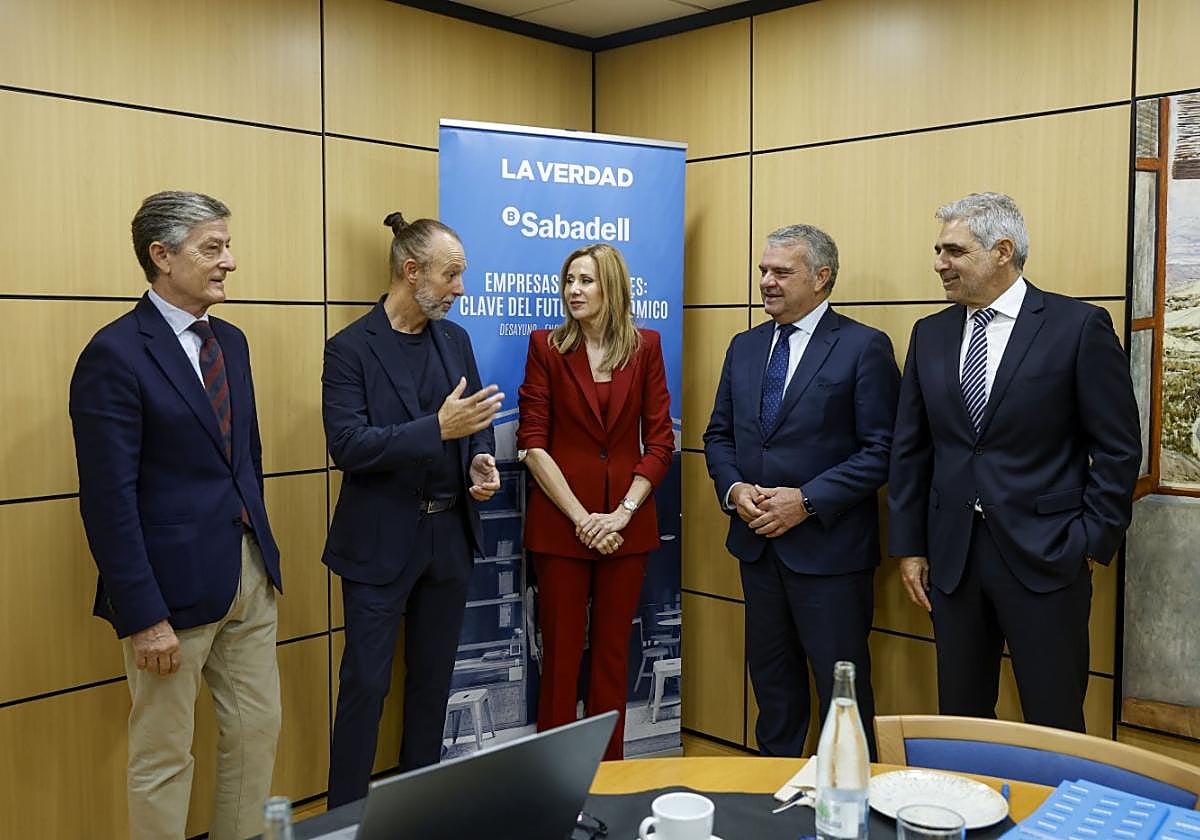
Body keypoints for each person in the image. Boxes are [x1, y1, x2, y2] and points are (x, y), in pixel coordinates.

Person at [69, 191, 282, 840]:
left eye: (227, 246)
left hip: (247, 578)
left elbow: (244, 460)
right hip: (167, 599)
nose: (230, 262)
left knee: (256, 735)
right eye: (212, 249)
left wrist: (263, 562)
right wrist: (144, 616)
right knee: (163, 756)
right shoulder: (115, 354)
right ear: (161, 257)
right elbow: (108, 499)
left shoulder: (234, 344)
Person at [888, 192, 1140, 732]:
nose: (939, 263)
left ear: (1002, 251)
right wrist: (909, 546)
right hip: (952, 559)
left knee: (1052, 716)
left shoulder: (1077, 327)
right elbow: (910, 450)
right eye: (938, 250)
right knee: (961, 715)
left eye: (953, 250)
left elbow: (1118, 448)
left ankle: (1053, 816)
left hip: (1047, 554)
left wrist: (1092, 541)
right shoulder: (928, 334)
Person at [323, 213, 502, 806]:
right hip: (379, 543)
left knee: (432, 686)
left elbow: (473, 426)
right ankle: (345, 818)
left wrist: (480, 460)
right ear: (410, 270)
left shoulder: (456, 340)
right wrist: (436, 429)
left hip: (449, 535)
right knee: (365, 686)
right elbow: (347, 446)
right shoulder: (349, 348)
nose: (459, 288)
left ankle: (418, 812)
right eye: (451, 275)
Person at [703, 224, 899, 758]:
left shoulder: (863, 347)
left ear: (821, 277)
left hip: (831, 556)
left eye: (780, 271)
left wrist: (806, 501)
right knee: (773, 688)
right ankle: (773, 802)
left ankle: (850, 806)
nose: (765, 280)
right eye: (763, 269)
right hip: (757, 548)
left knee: (842, 698)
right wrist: (734, 487)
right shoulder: (744, 347)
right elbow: (718, 435)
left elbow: (882, 450)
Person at [517, 243, 674, 761]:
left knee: (611, 657)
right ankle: (551, 779)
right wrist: (584, 518)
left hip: (626, 527)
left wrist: (622, 513)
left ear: (612, 288)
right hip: (563, 526)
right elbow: (532, 442)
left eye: (586, 281)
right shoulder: (546, 347)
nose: (573, 291)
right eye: (569, 281)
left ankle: (611, 776)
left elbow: (660, 442)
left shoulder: (646, 347)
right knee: (560, 659)